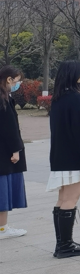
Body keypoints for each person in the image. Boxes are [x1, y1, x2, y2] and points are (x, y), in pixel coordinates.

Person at [48, 60, 80, 257]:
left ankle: (62, 243)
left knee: (62, 198)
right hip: (75, 157)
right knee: (70, 199)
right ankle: (65, 245)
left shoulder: (58, 98)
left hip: (60, 155)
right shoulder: (75, 99)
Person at [0, 66, 28, 240]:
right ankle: (2, 228)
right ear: (9, 79)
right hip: (4, 152)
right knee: (2, 190)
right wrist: (16, 150)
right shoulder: (3, 99)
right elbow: (9, 128)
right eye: (17, 81)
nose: (18, 84)